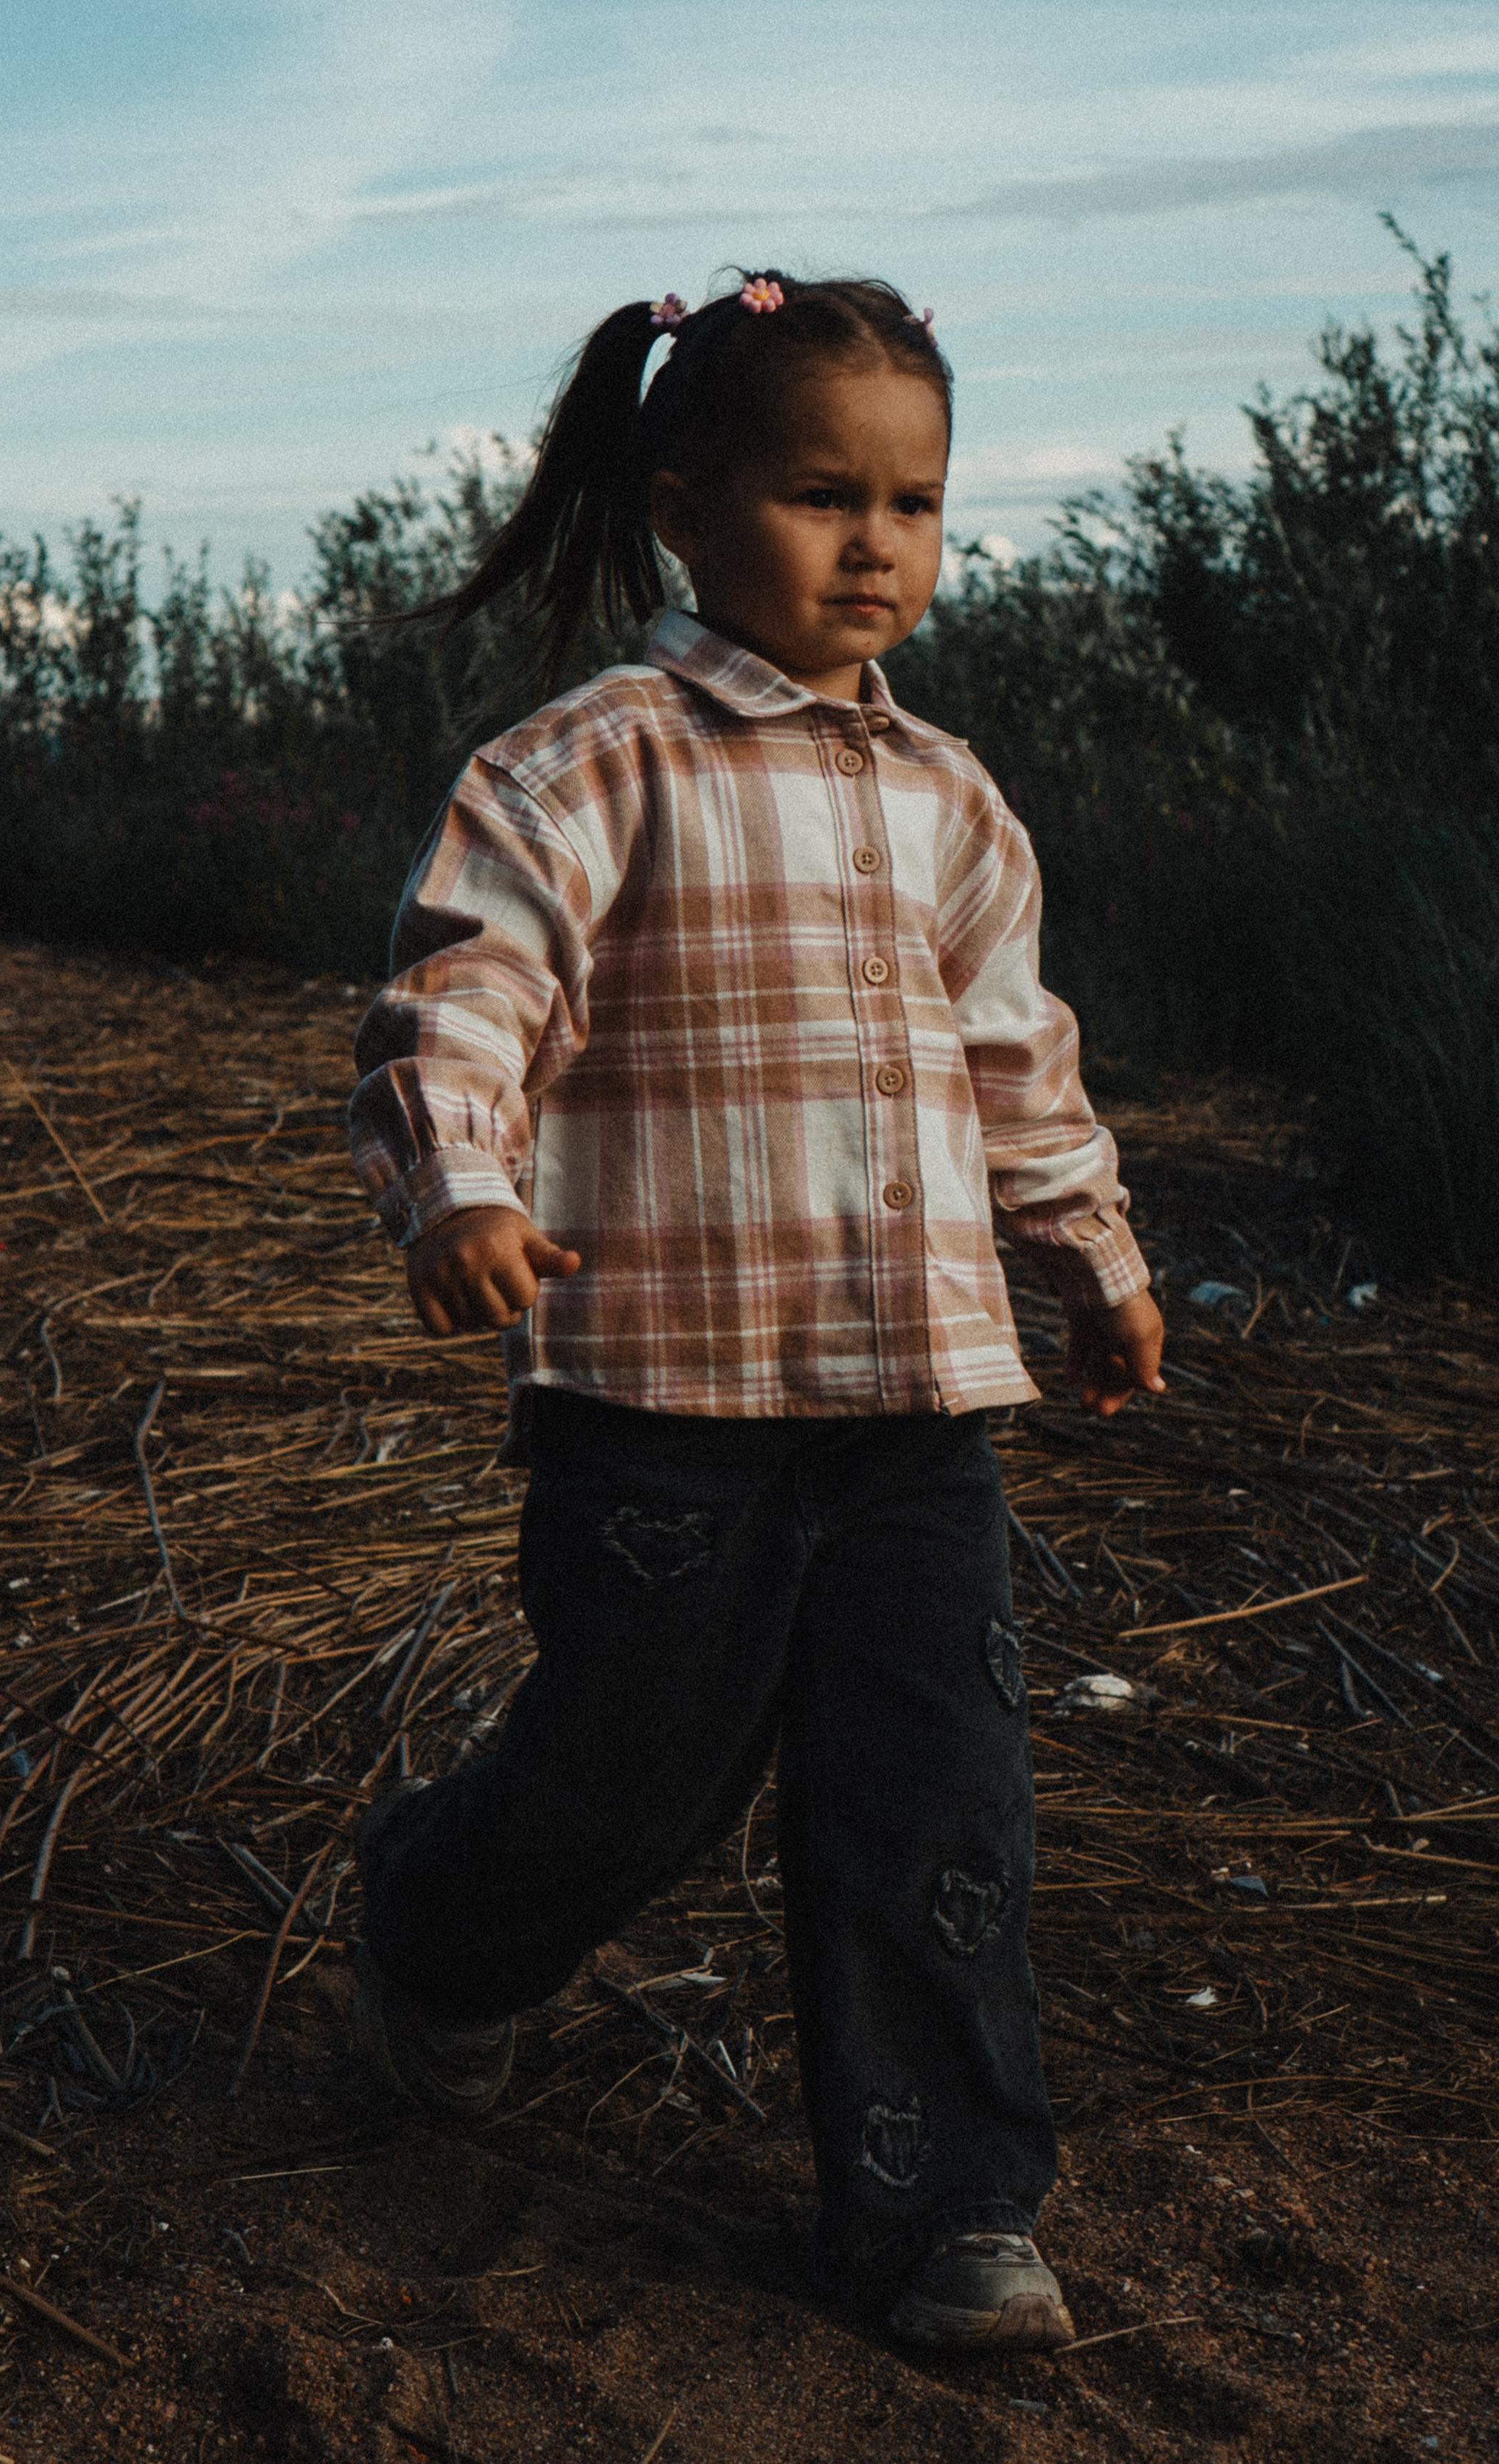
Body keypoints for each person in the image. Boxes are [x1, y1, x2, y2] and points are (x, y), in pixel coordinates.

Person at [345, 270, 1164, 2353]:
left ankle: (948, 2209)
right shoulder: (585, 768)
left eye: (915, 501)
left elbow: (1019, 1066)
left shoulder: (955, 803)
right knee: (633, 1773)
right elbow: (465, 993)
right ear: (687, 503)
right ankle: (440, 1936)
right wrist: (462, 1184)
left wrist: (1095, 1260)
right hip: (660, 1395)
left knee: (936, 1795)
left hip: (917, 1405)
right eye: (823, 495)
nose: (877, 542)